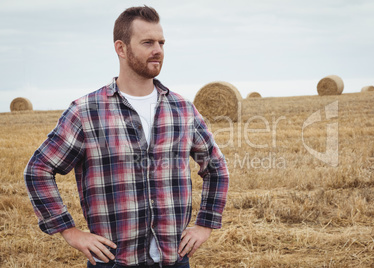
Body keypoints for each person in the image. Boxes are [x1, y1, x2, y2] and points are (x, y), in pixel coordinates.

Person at [24, 6, 229, 268]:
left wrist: (205, 224)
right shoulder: (86, 112)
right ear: (121, 48)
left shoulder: (182, 110)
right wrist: (68, 230)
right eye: (147, 42)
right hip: (114, 261)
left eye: (161, 42)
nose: (158, 50)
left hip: (173, 259)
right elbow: (38, 169)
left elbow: (216, 167)